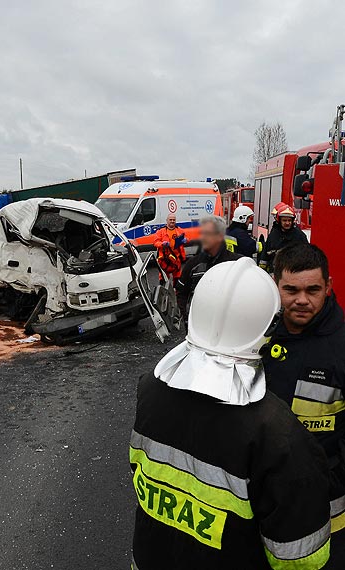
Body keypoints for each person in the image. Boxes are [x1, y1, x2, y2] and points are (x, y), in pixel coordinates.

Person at [131, 257, 331, 570]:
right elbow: (301, 559)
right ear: (266, 329)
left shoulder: (151, 388)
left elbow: (141, 472)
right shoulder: (278, 432)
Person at [264, 243, 345, 567]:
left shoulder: (340, 348)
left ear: (328, 286)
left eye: (313, 290)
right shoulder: (257, 333)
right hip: (261, 497)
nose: (301, 299)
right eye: (291, 289)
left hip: (326, 508)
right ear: (275, 285)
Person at [176, 215, 240, 323]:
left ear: (220, 236)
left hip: (227, 326)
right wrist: (188, 319)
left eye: (208, 234)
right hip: (199, 328)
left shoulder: (236, 263)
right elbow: (181, 294)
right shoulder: (192, 265)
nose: (203, 238)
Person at [259, 203, 308, 272]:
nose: (287, 223)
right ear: (279, 221)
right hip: (275, 272)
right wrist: (262, 271)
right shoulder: (274, 234)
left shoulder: (299, 235)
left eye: (289, 220)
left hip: (292, 272)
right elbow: (266, 253)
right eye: (284, 220)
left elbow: (306, 255)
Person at [153, 214, 187, 283]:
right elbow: (155, 242)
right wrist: (162, 244)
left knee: (177, 278)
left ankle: (176, 292)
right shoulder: (161, 231)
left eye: (174, 220)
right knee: (163, 278)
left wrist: (185, 240)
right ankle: (164, 292)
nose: (172, 221)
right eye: (170, 220)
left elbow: (186, 238)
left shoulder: (179, 230)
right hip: (165, 259)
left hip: (176, 259)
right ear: (167, 221)